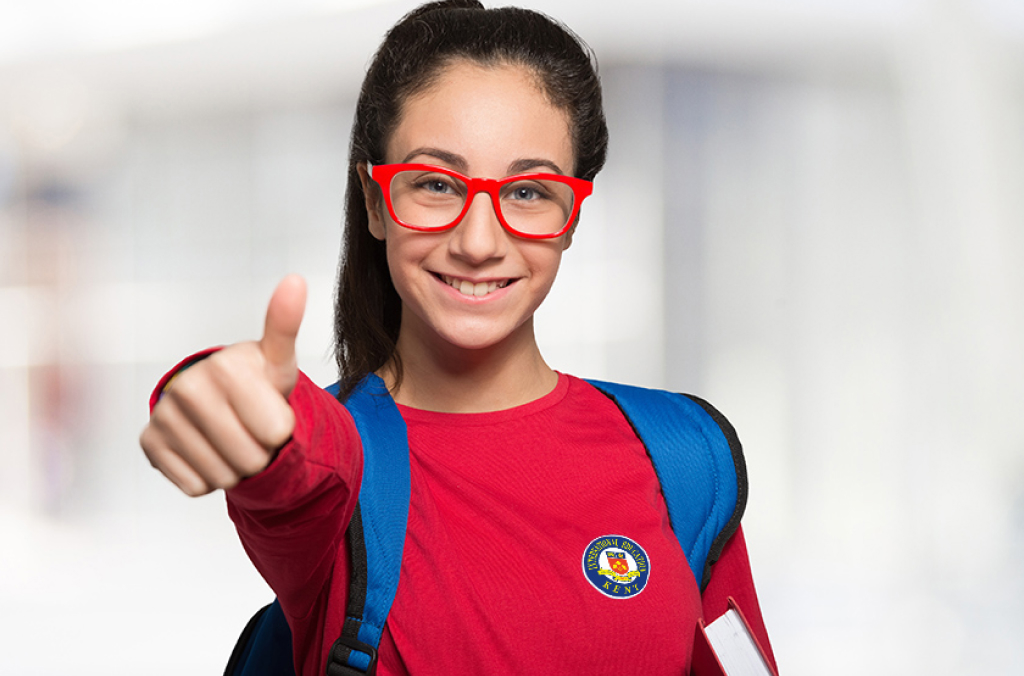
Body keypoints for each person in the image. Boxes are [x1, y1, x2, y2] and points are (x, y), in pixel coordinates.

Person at [140, 1, 778, 674]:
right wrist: (211, 388)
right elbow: (289, 453)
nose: (479, 242)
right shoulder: (343, 462)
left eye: (529, 192)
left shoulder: (684, 456)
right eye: (437, 184)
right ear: (376, 202)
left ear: (571, 214)